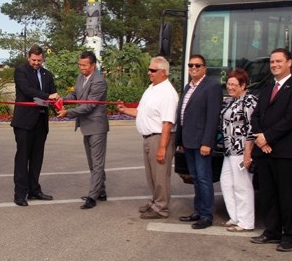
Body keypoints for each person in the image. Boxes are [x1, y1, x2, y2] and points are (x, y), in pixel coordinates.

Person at [250, 48, 292, 252]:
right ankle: (272, 231)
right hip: (263, 151)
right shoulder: (266, 89)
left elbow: (290, 119)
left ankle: (291, 236)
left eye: (279, 61)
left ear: (289, 63)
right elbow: (255, 116)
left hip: (285, 153)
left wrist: (267, 137)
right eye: (272, 62)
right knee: (268, 194)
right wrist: (260, 139)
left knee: (288, 196)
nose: (274, 65)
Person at [117, 56, 178, 219]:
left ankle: (161, 208)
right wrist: (125, 110)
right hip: (149, 137)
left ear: (163, 73)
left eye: (153, 70)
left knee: (160, 175)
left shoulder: (167, 93)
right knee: (152, 175)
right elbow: (141, 112)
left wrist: (162, 148)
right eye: (149, 69)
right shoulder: (152, 88)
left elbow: (167, 123)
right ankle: (155, 201)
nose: (149, 72)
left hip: (159, 137)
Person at [57, 51, 109, 209]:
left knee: (97, 163)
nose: (81, 68)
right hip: (86, 126)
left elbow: (89, 105)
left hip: (97, 126)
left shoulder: (99, 81)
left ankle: (92, 197)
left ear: (93, 66)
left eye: (84, 65)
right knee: (92, 162)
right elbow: (75, 94)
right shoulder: (80, 78)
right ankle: (100, 191)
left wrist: (68, 113)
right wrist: (63, 99)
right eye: (79, 65)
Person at [176, 54, 222, 230]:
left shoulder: (212, 86)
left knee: (204, 178)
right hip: (188, 141)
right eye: (191, 65)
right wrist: (180, 140)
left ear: (205, 68)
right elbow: (183, 114)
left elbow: (212, 117)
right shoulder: (189, 87)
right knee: (195, 178)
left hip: (201, 142)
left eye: (197, 65)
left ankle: (206, 215)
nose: (193, 68)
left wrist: (207, 142)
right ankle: (198, 210)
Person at [11, 45, 59, 206]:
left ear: (43, 59)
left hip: (41, 122)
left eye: (39, 60)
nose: (36, 63)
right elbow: (27, 91)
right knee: (22, 158)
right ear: (28, 57)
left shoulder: (48, 75)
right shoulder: (21, 71)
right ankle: (20, 194)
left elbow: (51, 97)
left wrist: (58, 106)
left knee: (37, 158)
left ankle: (34, 190)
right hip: (24, 122)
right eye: (34, 60)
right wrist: (47, 97)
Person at [219, 68, 257, 232]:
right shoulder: (231, 101)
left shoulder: (249, 101)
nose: (230, 87)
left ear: (243, 85)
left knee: (242, 186)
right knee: (226, 182)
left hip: (242, 150)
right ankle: (235, 217)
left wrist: (248, 153)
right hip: (229, 150)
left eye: (234, 84)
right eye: (229, 84)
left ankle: (246, 222)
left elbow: (252, 128)